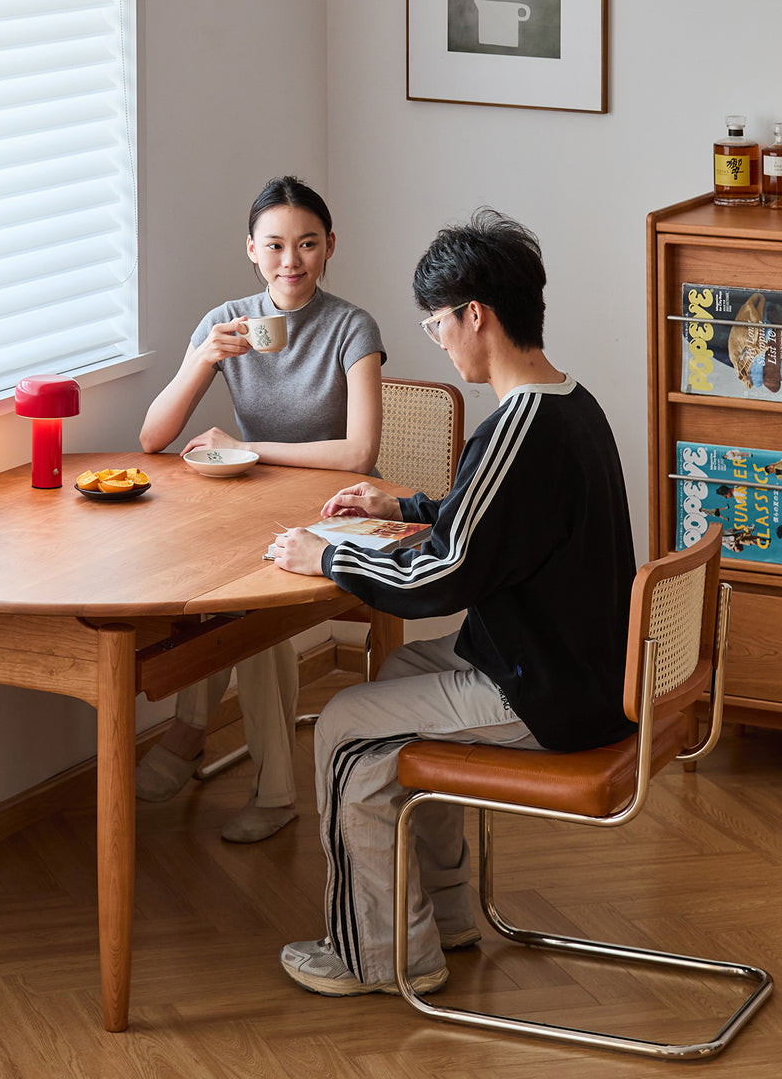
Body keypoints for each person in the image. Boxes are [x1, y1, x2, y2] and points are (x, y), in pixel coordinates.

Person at [271, 208, 636, 995]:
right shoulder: (568, 404)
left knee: (342, 723)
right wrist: (406, 509)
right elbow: (496, 523)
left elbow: (447, 578)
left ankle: (375, 957)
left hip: (545, 692)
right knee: (400, 673)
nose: (435, 337)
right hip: (580, 670)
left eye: (435, 322)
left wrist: (328, 557)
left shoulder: (516, 431)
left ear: (476, 316)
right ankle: (442, 916)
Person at [137, 176, 386, 843]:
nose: (291, 261)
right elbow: (153, 439)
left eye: (307, 244)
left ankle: (267, 785)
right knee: (210, 581)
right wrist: (201, 362)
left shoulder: (351, 327)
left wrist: (248, 446)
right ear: (251, 250)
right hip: (257, 505)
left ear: (330, 246)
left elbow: (360, 451)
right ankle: (192, 731)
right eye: (274, 245)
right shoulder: (228, 320)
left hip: (344, 510)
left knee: (253, 601)